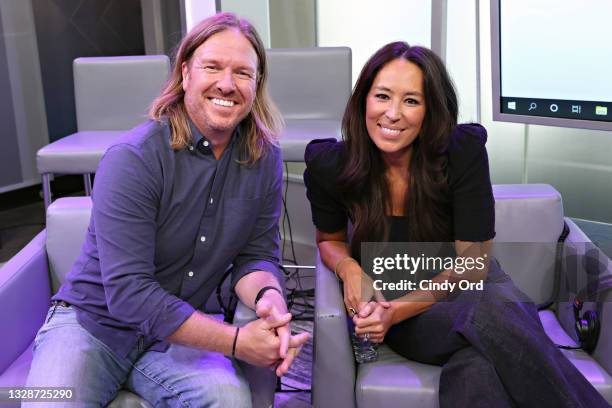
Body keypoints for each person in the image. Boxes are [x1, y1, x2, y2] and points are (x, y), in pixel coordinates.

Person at [25, 12, 309, 407]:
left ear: (257, 84)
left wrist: (269, 299)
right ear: (186, 72)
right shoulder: (133, 157)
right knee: (43, 401)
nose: (227, 84)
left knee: (229, 401)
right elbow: (129, 294)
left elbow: (256, 256)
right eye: (213, 67)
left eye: (243, 73)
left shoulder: (264, 159)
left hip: (178, 332)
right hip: (91, 325)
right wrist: (238, 342)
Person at [304, 41, 609, 407]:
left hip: (475, 288)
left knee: (477, 368)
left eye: (411, 101)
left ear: (431, 110)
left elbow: (475, 264)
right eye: (382, 96)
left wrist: (394, 312)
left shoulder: (460, 152)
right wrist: (350, 269)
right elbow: (329, 240)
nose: (393, 113)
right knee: (494, 314)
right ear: (363, 101)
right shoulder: (332, 164)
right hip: (410, 308)